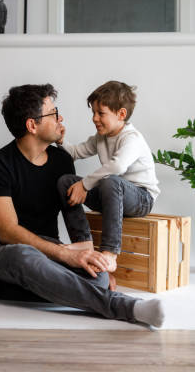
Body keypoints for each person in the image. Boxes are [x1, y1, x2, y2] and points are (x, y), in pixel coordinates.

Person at [0, 83, 164, 329]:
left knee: (98, 277)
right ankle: (126, 307)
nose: (61, 118)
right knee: (23, 255)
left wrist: (90, 256)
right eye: (53, 113)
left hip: (48, 250)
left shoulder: (61, 161)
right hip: (2, 252)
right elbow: (8, 232)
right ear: (32, 125)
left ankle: (0, 290)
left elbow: (74, 215)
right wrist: (64, 254)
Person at [56, 81, 160, 279]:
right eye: (93, 113)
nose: (95, 118)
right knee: (66, 182)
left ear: (121, 114)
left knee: (111, 180)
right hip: (112, 194)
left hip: (141, 198)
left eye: (100, 113)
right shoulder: (101, 137)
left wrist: (85, 184)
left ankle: (110, 252)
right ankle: (83, 242)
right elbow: (77, 152)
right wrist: (61, 141)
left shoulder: (132, 138)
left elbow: (117, 167)